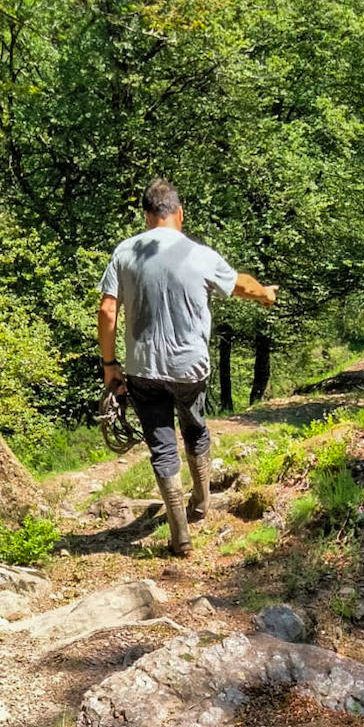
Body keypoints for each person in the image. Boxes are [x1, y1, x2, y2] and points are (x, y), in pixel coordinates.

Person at [97, 178, 278, 555]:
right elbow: (240, 285)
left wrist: (110, 364)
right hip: (189, 367)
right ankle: (201, 501)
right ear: (179, 214)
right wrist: (265, 295)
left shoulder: (124, 253)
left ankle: (180, 534)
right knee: (195, 429)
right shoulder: (199, 254)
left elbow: (107, 310)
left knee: (161, 447)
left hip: (142, 369)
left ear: (147, 216)